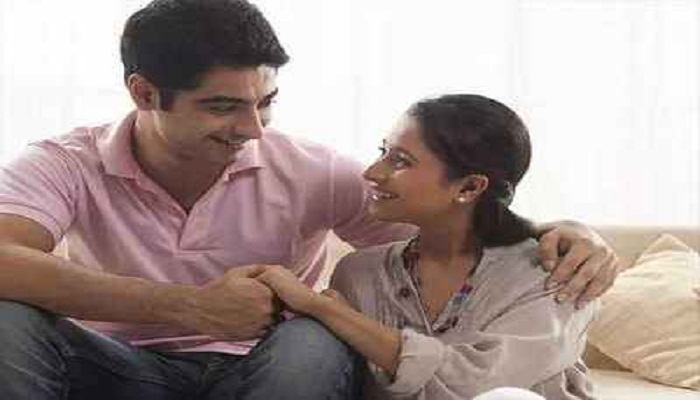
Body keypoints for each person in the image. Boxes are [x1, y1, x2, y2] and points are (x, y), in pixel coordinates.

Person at [0, 0, 616, 398]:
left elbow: (448, 229)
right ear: (144, 93)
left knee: (314, 335)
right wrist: (191, 307)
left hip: (274, 372)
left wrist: (560, 231)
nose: (252, 129)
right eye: (222, 106)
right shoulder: (66, 162)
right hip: (121, 369)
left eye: (264, 102)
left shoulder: (311, 170)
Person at [258, 94, 598, 399]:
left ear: (469, 187)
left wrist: (325, 308)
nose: (372, 172)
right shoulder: (359, 272)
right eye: (383, 152)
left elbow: (476, 386)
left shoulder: (557, 273)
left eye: (400, 161)